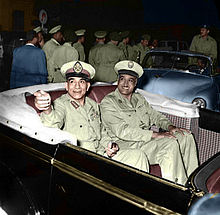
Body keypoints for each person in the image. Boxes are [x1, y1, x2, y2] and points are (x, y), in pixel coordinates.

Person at [34, 60, 149, 172]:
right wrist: (47, 108)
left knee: (139, 155)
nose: (77, 86)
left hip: (100, 154)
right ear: (66, 86)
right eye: (72, 81)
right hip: (80, 158)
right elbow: (52, 122)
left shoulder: (92, 104)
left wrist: (109, 145)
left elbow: (102, 131)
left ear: (88, 86)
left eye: (82, 82)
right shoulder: (60, 104)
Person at [100, 60, 199, 185]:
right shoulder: (108, 102)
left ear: (135, 83)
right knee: (169, 144)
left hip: (146, 141)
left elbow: (155, 116)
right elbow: (122, 131)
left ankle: (194, 184)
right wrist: (155, 135)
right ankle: (175, 189)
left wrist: (170, 126)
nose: (125, 84)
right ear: (118, 81)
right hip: (127, 145)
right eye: (122, 79)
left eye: (130, 80)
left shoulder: (139, 98)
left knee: (186, 136)